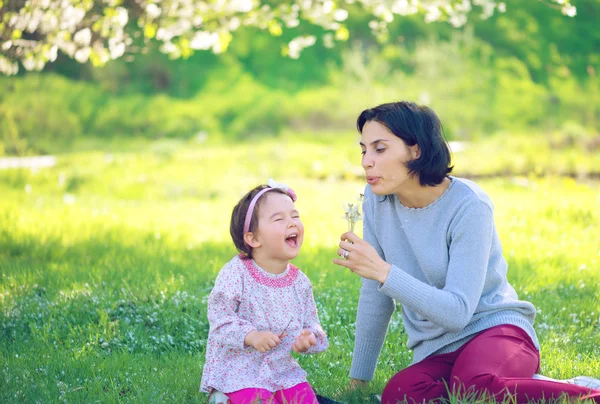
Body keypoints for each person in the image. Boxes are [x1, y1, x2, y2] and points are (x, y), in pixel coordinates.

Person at [332, 101, 600, 403]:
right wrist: (359, 379)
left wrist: (383, 271)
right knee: (399, 394)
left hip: (495, 331)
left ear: (415, 151)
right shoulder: (377, 200)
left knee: (475, 385)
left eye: (380, 149)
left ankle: (589, 393)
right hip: (437, 349)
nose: (367, 161)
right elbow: (374, 295)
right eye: (364, 150)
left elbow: (458, 312)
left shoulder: (469, 205)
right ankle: (519, 386)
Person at [201, 179, 328, 404]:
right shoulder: (236, 273)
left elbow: (313, 325)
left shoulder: (300, 283)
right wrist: (251, 336)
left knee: (306, 400)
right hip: (239, 368)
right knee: (256, 400)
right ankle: (222, 395)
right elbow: (220, 320)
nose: (292, 223)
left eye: (295, 216)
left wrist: (308, 339)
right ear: (253, 238)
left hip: (281, 369)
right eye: (279, 219)